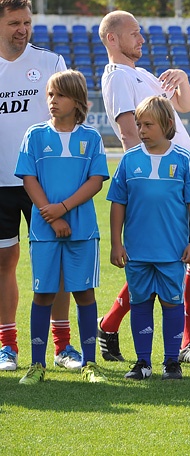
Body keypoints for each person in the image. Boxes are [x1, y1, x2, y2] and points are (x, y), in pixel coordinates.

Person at [95, 10, 190, 366]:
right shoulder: (118, 77)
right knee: (164, 258)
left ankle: (114, 323)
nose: (142, 39)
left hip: (183, 169)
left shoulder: (142, 74)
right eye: (135, 33)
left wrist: (181, 79)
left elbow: (185, 107)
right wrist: (149, 178)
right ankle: (186, 342)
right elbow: (129, 132)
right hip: (162, 179)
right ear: (113, 39)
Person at [0, 0, 79, 373]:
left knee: (56, 261)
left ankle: (63, 345)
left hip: (45, 183)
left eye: (27, 22)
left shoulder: (50, 62)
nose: (22, 29)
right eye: (14, 23)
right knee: (4, 260)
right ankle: (7, 345)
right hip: (0, 183)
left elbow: (70, 115)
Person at [15, 70, 109, 384]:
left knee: (83, 292)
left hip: (82, 230)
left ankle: (90, 364)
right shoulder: (35, 135)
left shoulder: (91, 137)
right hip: (44, 231)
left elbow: (96, 181)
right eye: (50, 95)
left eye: (60, 95)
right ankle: (37, 365)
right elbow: (29, 179)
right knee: (42, 293)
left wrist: (65, 209)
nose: (53, 102)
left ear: (77, 100)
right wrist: (53, 218)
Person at [107, 96, 190, 380]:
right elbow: (117, 204)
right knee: (140, 303)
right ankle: (142, 362)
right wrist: (116, 242)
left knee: (172, 303)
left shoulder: (183, 159)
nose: (142, 129)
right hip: (137, 251)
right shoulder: (129, 160)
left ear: (167, 124)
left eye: (148, 124)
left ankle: (172, 361)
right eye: (139, 124)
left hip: (172, 252)